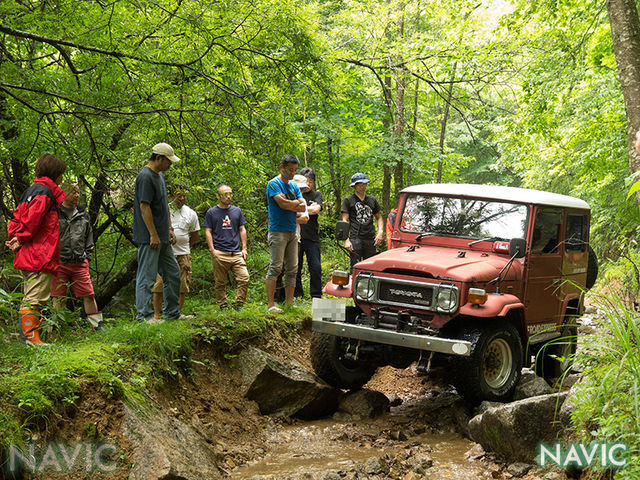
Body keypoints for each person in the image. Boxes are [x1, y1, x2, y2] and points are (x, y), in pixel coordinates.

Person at [6, 153, 66, 345]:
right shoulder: (44, 193)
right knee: (35, 298)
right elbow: (33, 221)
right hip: (39, 255)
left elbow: (16, 219)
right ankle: (31, 339)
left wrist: (16, 236)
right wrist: (20, 237)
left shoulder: (30, 191)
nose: (62, 178)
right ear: (55, 173)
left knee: (30, 295)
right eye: (61, 174)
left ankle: (29, 339)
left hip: (29, 254)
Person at [133, 142, 189, 323]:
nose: (170, 165)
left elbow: (164, 206)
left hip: (163, 237)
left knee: (173, 274)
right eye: (168, 161)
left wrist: (170, 228)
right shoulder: (145, 176)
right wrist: (153, 234)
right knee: (147, 277)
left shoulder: (159, 176)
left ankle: (172, 314)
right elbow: (144, 207)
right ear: (159, 158)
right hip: (150, 238)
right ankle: (144, 316)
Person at [50, 182, 103, 330]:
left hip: (80, 263)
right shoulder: (55, 212)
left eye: (78, 192)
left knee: (89, 294)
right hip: (60, 263)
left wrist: (87, 256)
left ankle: (97, 327)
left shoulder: (83, 214)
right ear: (63, 193)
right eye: (73, 192)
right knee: (59, 297)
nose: (77, 195)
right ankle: (56, 330)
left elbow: (89, 237)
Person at [265, 154, 307, 313]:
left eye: (295, 170)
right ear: (281, 167)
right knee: (276, 266)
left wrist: (293, 204)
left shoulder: (294, 185)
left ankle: (289, 303)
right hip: (277, 230)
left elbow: (303, 206)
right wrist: (294, 204)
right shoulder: (273, 184)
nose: (292, 173)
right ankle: (271, 305)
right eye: (290, 170)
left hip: (292, 230)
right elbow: (281, 204)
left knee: (293, 268)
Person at [152, 186, 200, 318]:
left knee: (181, 285)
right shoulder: (165, 210)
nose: (182, 198)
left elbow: (195, 235)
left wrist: (186, 246)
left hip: (183, 254)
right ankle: (156, 315)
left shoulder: (191, 213)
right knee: (159, 284)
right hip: (165, 254)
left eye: (184, 195)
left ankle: (175, 314)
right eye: (179, 195)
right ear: (172, 196)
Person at [203, 185, 250, 309]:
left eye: (230, 193)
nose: (228, 196)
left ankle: (239, 304)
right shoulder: (211, 212)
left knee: (244, 278)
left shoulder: (237, 211)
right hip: (220, 252)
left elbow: (242, 228)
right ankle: (222, 304)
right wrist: (212, 250)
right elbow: (208, 231)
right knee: (220, 282)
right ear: (218, 196)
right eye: (224, 194)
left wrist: (244, 248)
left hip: (236, 252)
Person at [341, 172, 384, 268]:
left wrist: (380, 232)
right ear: (354, 186)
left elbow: (379, 217)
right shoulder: (348, 200)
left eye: (364, 184)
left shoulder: (372, 200)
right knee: (355, 267)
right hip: (355, 238)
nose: (362, 186)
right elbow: (345, 220)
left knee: (370, 268)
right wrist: (346, 240)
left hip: (370, 238)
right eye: (359, 184)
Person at [295, 167, 323, 299]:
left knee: (316, 268)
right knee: (296, 267)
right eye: (306, 181)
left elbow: (316, 210)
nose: (308, 184)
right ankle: (297, 294)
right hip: (296, 237)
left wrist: (299, 209)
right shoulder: (296, 193)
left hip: (312, 237)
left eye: (311, 181)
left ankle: (316, 295)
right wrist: (307, 209)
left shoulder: (317, 195)